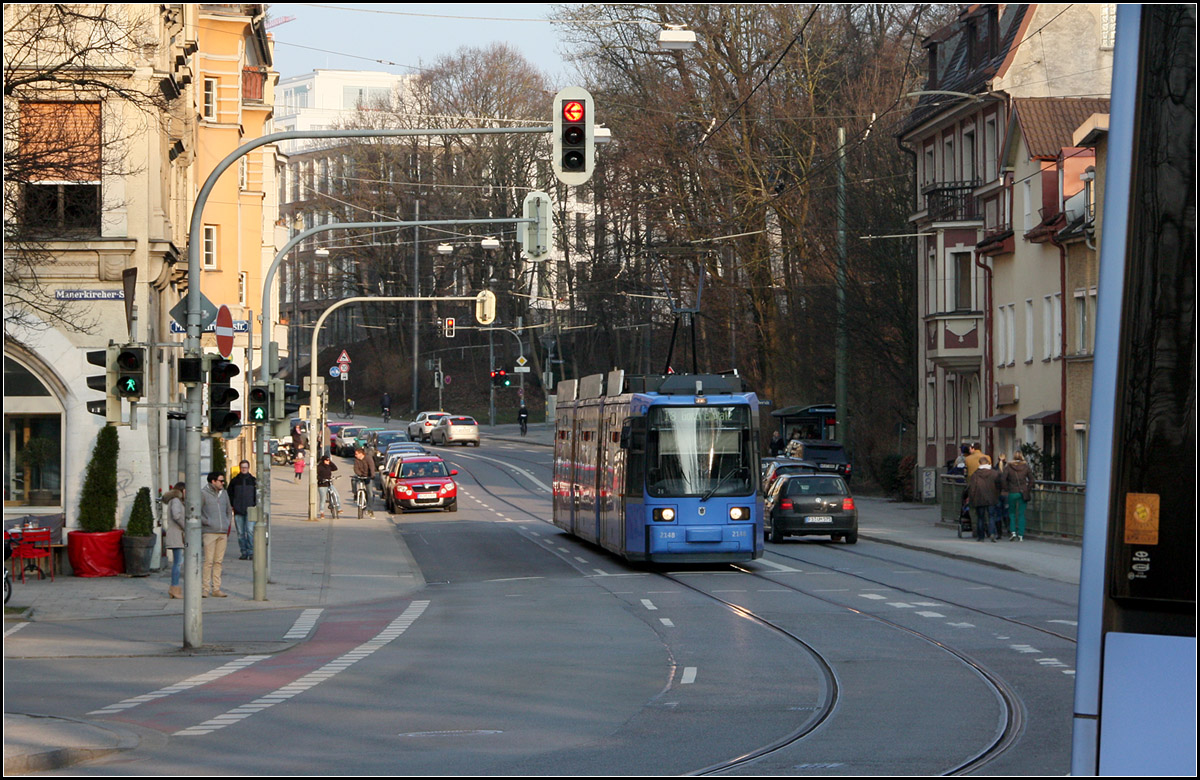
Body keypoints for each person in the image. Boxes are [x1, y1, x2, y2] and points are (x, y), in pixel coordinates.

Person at [200, 471, 233, 597]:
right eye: (221, 481)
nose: (223, 483)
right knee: (208, 561)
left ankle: (216, 588)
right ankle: (205, 588)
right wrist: (206, 521)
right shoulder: (203, 493)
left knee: (218, 562)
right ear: (213, 481)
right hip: (209, 532)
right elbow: (197, 510)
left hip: (222, 531)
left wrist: (227, 522)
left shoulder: (224, 493)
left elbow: (228, 509)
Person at [967, 455, 1002, 542]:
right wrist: (997, 494)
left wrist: (971, 499)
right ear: (988, 463)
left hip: (979, 498)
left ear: (979, 463)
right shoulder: (994, 473)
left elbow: (972, 488)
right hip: (992, 498)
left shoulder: (975, 474)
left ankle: (981, 536)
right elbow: (999, 485)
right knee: (991, 516)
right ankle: (992, 533)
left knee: (980, 517)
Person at [228, 460, 257, 560]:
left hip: (251, 510)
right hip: (238, 510)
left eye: (246, 467)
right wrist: (233, 505)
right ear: (240, 468)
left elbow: (257, 495)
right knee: (240, 533)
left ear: (249, 468)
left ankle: (251, 551)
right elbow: (229, 494)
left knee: (250, 531)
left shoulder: (253, 481)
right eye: (242, 467)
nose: (244, 469)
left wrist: (255, 505)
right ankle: (243, 552)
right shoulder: (234, 481)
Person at [162, 481, 186, 599]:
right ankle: (175, 587)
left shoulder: (176, 500)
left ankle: (174, 588)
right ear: (182, 490)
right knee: (178, 563)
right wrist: (186, 526)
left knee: (178, 562)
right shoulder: (176, 501)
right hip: (177, 534)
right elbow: (177, 515)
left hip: (176, 534)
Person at [1003, 451, 1034, 541]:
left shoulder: (1008, 467)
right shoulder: (1026, 467)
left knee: (1012, 513)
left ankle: (1013, 532)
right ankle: (1021, 534)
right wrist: (1027, 489)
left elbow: (1003, 479)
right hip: (1023, 492)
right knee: (1021, 514)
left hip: (1012, 492)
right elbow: (1032, 480)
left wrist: (1006, 488)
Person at [352, 448, 376, 515]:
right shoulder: (356, 460)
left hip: (368, 476)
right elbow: (355, 468)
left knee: (370, 493)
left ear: (361, 454)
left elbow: (372, 467)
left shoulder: (368, 458)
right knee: (353, 480)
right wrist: (359, 474)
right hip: (360, 475)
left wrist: (372, 475)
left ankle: (370, 509)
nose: (355, 455)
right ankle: (355, 494)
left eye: (356, 454)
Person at [317, 454, 338, 518]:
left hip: (329, 483)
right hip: (322, 484)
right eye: (326, 460)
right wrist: (321, 479)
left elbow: (335, 468)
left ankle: (338, 508)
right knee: (323, 499)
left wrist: (330, 462)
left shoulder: (329, 466)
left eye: (329, 460)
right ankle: (322, 512)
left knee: (336, 494)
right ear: (323, 461)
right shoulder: (320, 467)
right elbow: (318, 475)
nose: (328, 461)